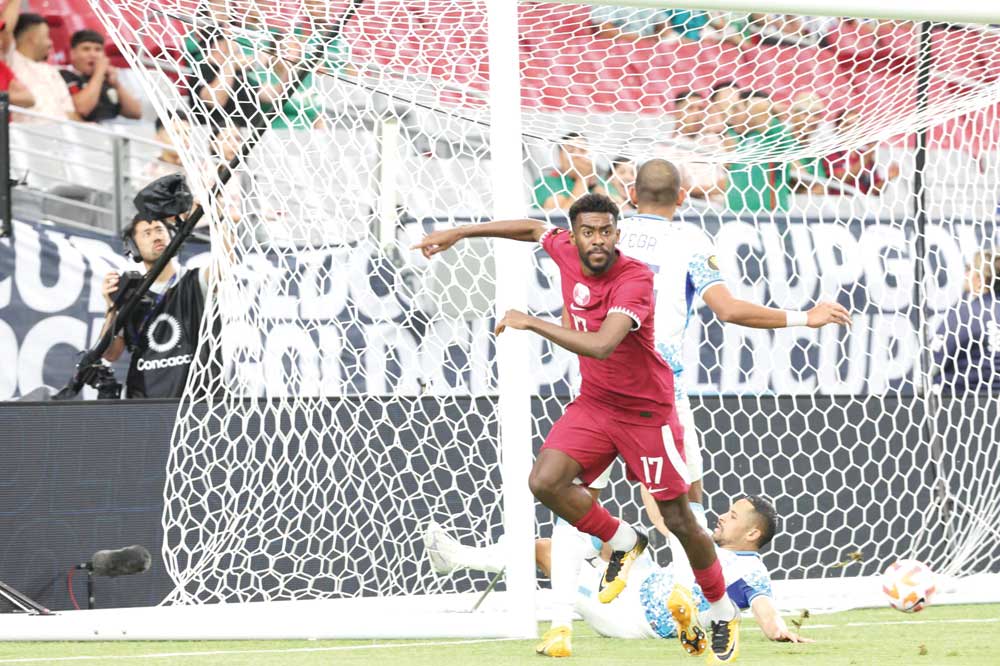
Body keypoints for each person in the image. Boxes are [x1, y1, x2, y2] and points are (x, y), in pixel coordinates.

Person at [414, 194, 740, 662]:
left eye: (606, 231)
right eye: (588, 232)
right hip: (596, 405)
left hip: (647, 412)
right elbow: (530, 229)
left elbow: (604, 345)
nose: (598, 241)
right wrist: (462, 232)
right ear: (575, 234)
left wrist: (531, 322)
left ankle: (722, 609)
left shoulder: (635, 278)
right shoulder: (563, 247)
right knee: (545, 481)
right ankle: (624, 540)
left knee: (679, 519)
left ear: (617, 233)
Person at [423, 496, 811, 650]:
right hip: (644, 578)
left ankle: (454, 557)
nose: (723, 517)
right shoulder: (701, 537)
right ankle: (475, 555)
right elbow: (663, 515)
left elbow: (766, 612)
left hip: (631, 618)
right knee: (610, 530)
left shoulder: (751, 573)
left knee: (547, 553)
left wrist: (780, 631)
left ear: (753, 533)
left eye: (733, 517)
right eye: (726, 512)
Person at [100, 214, 210, 398]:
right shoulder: (131, 295)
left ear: (171, 236)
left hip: (196, 403)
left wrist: (220, 218)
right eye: (147, 233)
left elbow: (226, 265)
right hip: (145, 404)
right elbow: (110, 354)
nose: (156, 236)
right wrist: (111, 307)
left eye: (160, 230)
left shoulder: (196, 279)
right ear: (134, 247)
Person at [932, 250, 1000, 393]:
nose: (966, 274)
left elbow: (932, 362)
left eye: (969, 269)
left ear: (980, 279)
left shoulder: (965, 314)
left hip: (959, 402)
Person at [7, 13, 78, 122]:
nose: (50, 43)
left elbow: (70, 113)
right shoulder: (11, 61)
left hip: (64, 135)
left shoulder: (52, 72)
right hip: (27, 136)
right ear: (33, 38)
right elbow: (6, 30)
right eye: (47, 36)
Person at [60, 29, 142, 123]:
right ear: (73, 54)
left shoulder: (107, 80)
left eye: (98, 49)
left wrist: (116, 84)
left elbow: (136, 113)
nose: (93, 55)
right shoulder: (65, 76)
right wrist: (99, 72)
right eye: (86, 49)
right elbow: (82, 109)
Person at [532, 132, 609, 212]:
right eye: (571, 150)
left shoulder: (601, 184)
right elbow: (562, 216)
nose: (577, 155)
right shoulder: (546, 182)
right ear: (560, 157)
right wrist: (582, 177)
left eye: (582, 151)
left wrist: (595, 186)